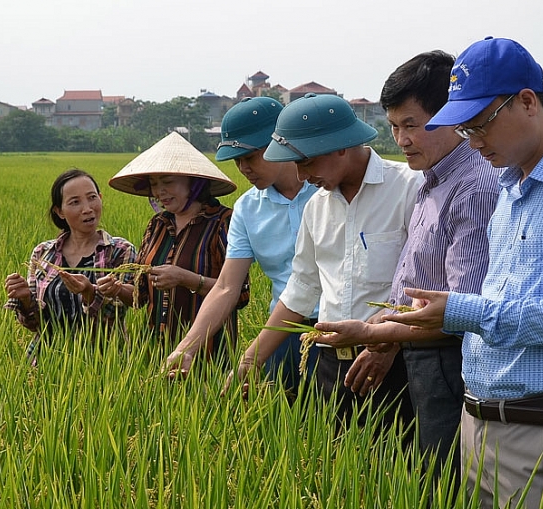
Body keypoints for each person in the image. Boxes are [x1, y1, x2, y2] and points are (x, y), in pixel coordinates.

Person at [382, 37, 543, 508]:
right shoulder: (509, 187)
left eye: (480, 125)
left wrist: (457, 311)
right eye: (464, 131)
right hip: (478, 422)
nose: (474, 142)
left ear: (526, 102)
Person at [314, 50, 500, 485]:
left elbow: (459, 311)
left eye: (412, 125)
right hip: (415, 357)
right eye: (394, 127)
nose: (401, 139)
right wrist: (385, 326)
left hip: (447, 361)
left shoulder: (472, 187)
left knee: (444, 481)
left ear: (453, 116)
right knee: (415, 477)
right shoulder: (431, 182)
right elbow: (415, 281)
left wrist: (374, 331)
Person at [226, 92, 423, 433]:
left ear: (340, 146)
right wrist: (250, 360)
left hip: (394, 361)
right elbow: (303, 287)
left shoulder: (409, 188)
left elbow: (427, 284)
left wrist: (389, 343)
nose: (301, 176)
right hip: (330, 363)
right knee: (336, 466)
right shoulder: (317, 207)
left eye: (306, 162)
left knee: (398, 471)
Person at [162, 97, 320, 392]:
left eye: (250, 157)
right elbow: (225, 287)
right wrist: (188, 347)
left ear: (279, 142)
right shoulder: (248, 209)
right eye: (237, 161)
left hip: (345, 327)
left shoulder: (326, 188)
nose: (243, 168)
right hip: (283, 333)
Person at [100, 131, 247, 362]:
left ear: (195, 183)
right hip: (156, 350)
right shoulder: (157, 225)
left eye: (167, 182)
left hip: (209, 354)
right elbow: (141, 296)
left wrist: (185, 278)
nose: (159, 192)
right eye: (154, 185)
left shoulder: (223, 222)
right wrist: (117, 289)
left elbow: (239, 293)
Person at [4, 168, 137, 363]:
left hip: (105, 364)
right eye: (75, 202)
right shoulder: (43, 253)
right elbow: (36, 324)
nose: (87, 208)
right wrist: (24, 299)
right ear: (60, 211)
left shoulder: (119, 251)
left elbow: (115, 315)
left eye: (92, 197)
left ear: (100, 198)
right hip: (46, 361)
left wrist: (89, 292)